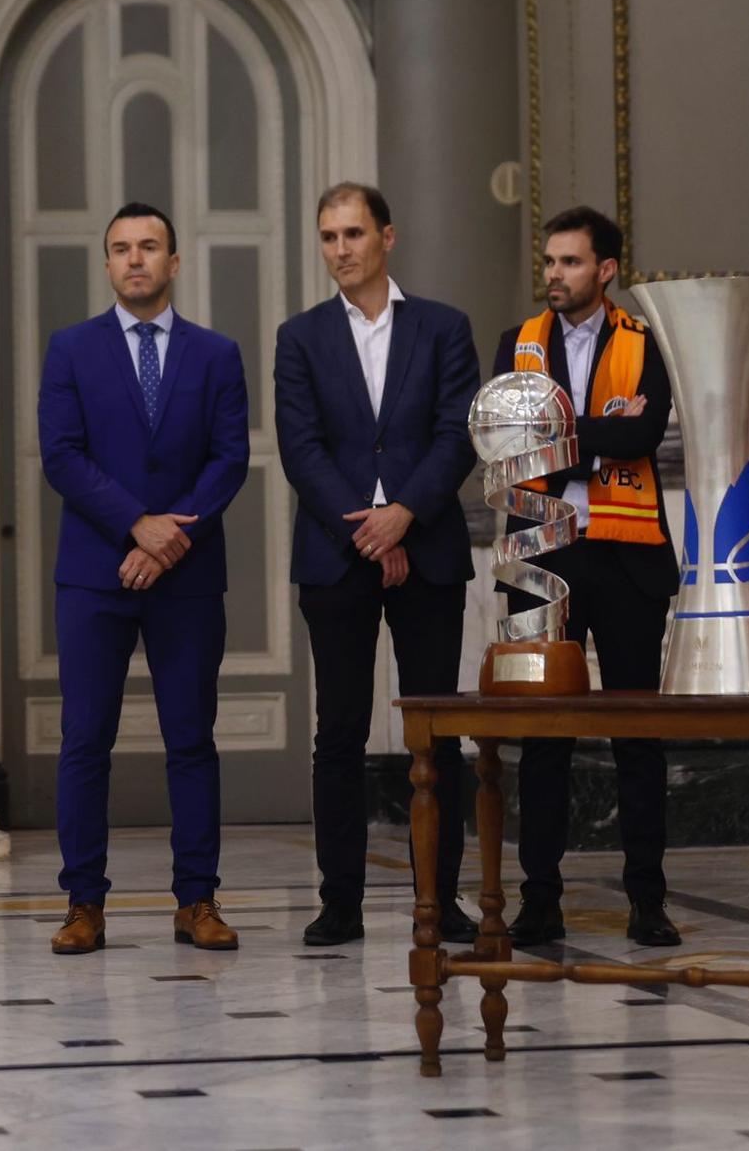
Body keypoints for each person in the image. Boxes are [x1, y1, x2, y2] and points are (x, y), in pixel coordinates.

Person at [39, 202, 250, 955]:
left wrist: (168, 541)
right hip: (94, 575)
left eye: (149, 247)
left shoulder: (217, 354)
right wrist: (137, 525)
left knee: (190, 740)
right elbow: (61, 455)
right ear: (107, 265)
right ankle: (83, 906)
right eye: (122, 249)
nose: (136, 260)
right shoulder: (71, 350)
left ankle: (197, 900)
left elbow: (229, 460)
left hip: (187, 578)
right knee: (84, 741)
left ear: (173, 262)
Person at [273, 183, 479, 948]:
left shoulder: (442, 327)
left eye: (353, 233)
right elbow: (302, 449)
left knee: (438, 733)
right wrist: (369, 529)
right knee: (340, 735)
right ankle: (340, 904)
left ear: (387, 237)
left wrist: (405, 517)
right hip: (337, 555)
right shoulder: (299, 338)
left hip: (426, 548)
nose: (340, 250)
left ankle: (443, 899)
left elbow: (456, 432)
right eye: (328, 236)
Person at [491, 204, 682, 949]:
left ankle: (647, 900)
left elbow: (645, 431)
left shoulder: (644, 342)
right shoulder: (517, 343)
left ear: (605, 271)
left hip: (627, 556)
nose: (554, 276)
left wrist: (562, 439)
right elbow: (506, 441)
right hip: (543, 558)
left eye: (570, 263)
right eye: (549, 262)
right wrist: (600, 436)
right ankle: (540, 899)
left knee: (638, 734)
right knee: (543, 737)